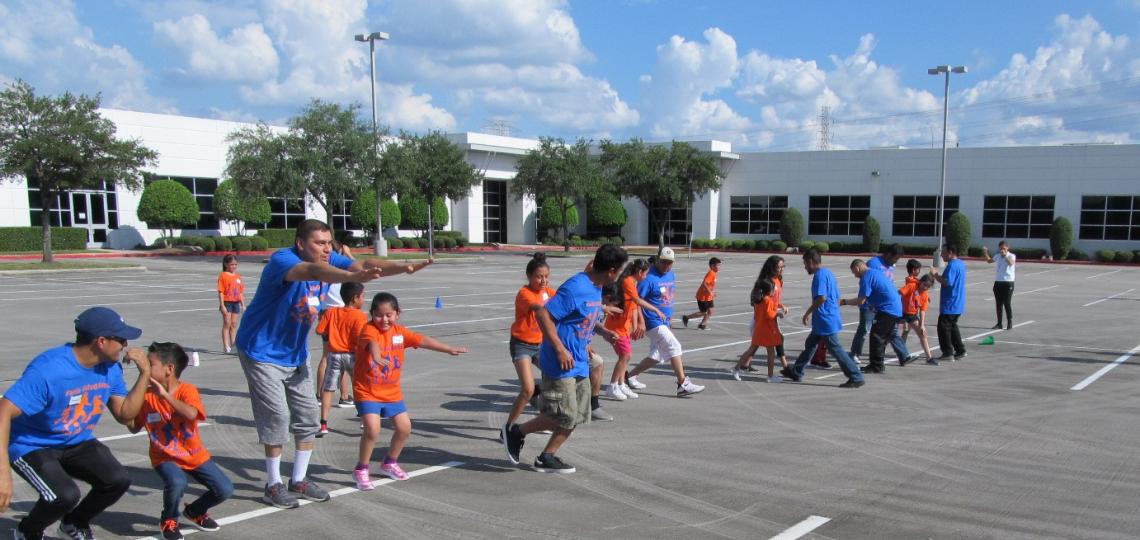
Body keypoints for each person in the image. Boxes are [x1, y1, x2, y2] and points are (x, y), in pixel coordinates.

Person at [234, 219, 433, 510]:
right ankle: (273, 484)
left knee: (307, 418)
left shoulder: (328, 259)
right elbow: (314, 271)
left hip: (294, 353)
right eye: (319, 243)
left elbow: (363, 263)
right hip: (260, 352)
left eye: (329, 243)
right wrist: (353, 275)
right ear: (301, 243)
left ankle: (298, 480)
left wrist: (402, 266)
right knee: (277, 418)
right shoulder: (284, 260)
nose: (327, 249)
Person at [0, 307, 150, 540]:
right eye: (121, 339)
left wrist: (144, 374)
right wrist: (3, 476)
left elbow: (124, 414)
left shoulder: (110, 367)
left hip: (75, 439)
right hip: (32, 443)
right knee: (64, 495)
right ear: (101, 341)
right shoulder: (49, 370)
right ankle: (27, 530)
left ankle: (72, 524)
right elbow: (3, 411)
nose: (125, 345)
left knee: (117, 480)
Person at [501, 245, 628, 474]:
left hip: (579, 361)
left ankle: (547, 456)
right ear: (611, 270)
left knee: (578, 414)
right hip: (559, 362)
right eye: (620, 271)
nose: (619, 276)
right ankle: (515, 432)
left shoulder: (596, 287)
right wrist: (560, 349)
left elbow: (584, 317)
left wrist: (603, 331)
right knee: (561, 415)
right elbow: (543, 314)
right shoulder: (576, 287)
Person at [352, 292, 467, 489]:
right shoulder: (368, 330)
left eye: (389, 314)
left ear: (398, 314)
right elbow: (371, 343)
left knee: (404, 428)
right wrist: (377, 357)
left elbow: (422, 340)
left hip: (391, 392)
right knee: (372, 429)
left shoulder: (400, 333)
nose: (384, 319)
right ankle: (361, 469)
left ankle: (389, 462)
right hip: (368, 390)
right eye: (379, 315)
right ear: (371, 314)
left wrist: (447, 348)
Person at [127, 342, 233, 540]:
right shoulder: (146, 396)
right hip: (164, 456)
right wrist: (123, 406)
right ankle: (169, 519)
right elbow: (133, 426)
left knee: (225, 489)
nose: (146, 369)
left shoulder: (187, 390)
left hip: (194, 455)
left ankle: (195, 511)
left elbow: (192, 413)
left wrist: (165, 396)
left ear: (169, 369)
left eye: (151, 364)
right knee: (177, 482)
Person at [624, 248, 706, 396]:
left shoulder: (671, 275)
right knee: (674, 346)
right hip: (651, 321)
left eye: (669, 263)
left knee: (658, 355)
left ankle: (629, 377)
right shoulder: (648, 278)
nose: (666, 265)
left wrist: (668, 321)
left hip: (664, 321)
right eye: (663, 262)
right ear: (657, 260)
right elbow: (636, 300)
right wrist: (640, 322)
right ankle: (683, 383)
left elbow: (667, 299)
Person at [780, 249, 865, 388]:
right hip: (826, 318)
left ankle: (855, 376)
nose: (805, 267)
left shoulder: (820, 276)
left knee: (836, 349)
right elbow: (835, 297)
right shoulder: (828, 274)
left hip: (826, 320)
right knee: (811, 344)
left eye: (806, 263)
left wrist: (808, 312)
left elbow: (822, 298)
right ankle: (796, 371)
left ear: (812, 262)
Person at [505, 253, 556, 429]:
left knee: (557, 377)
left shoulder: (549, 292)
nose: (543, 280)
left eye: (546, 277)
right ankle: (509, 428)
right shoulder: (524, 293)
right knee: (527, 389)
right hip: (522, 345)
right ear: (529, 276)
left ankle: (542, 417)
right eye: (539, 276)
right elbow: (538, 308)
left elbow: (565, 303)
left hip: (541, 345)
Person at [602, 259, 663, 400]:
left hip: (624, 326)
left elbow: (633, 307)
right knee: (625, 355)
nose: (646, 276)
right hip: (616, 327)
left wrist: (635, 324)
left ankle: (621, 384)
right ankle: (612, 386)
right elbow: (637, 301)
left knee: (626, 356)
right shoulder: (628, 281)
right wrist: (655, 310)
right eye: (645, 273)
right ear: (639, 272)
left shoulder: (633, 282)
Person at [316, 282, 369, 437]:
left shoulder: (331, 313)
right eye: (363, 296)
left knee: (328, 388)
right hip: (352, 355)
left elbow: (319, 330)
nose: (364, 299)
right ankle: (364, 419)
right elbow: (361, 337)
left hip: (334, 354)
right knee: (359, 386)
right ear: (355, 298)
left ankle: (324, 423)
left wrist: (333, 331)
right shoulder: (360, 315)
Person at [839, 259, 910, 374]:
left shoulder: (866, 277)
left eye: (854, 272)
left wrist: (843, 302)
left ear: (857, 268)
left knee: (876, 336)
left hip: (888, 309)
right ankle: (880, 364)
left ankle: (876, 366)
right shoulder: (874, 272)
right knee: (883, 336)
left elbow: (861, 300)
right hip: (894, 308)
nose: (855, 275)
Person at [315, 241, 355, 408]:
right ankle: (344, 395)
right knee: (343, 353)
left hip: (326, 312)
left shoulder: (319, 268)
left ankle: (319, 394)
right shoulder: (338, 270)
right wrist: (349, 254)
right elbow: (358, 271)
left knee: (327, 356)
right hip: (339, 313)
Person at [849, 244, 904, 363]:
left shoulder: (891, 265)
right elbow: (865, 281)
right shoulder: (873, 264)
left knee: (888, 332)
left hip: (884, 304)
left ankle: (903, 356)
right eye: (895, 258)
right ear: (888, 254)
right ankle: (855, 353)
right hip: (870, 303)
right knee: (866, 330)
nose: (896, 261)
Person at [731, 279, 786, 382]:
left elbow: (757, 316)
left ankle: (736, 368)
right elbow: (769, 315)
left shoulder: (758, 301)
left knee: (750, 350)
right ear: (769, 290)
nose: (774, 291)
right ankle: (770, 376)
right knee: (770, 353)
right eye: (773, 289)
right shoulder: (768, 300)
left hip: (759, 329)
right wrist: (778, 314)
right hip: (768, 330)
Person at [931, 244, 968, 361]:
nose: (941, 255)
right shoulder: (961, 264)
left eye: (943, 252)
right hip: (958, 302)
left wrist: (935, 275)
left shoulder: (952, 266)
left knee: (943, 327)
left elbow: (947, 282)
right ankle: (960, 350)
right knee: (952, 327)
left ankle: (947, 352)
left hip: (950, 303)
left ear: (950, 252)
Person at [899, 266, 937, 365]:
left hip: (912, 315)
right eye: (925, 285)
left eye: (928, 286)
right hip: (901, 312)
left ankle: (929, 358)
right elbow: (898, 294)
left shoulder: (925, 294)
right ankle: (901, 354)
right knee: (902, 332)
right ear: (921, 282)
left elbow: (923, 310)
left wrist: (922, 325)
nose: (925, 288)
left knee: (922, 334)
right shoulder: (911, 286)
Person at [983, 241, 1016, 330]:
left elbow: (1011, 263)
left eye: (1004, 248)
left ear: (1007, 248)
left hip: (1008, 282)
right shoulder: (998, 256)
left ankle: (1009, 322)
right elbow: (989, 261)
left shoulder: (1011, 256)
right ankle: (999, 323)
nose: (1002, 250)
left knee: (1007, 303)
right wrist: (986, 252)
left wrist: (1005, 255)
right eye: (1000, 248)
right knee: (998, 304)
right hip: (998, 282)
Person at [682, 257, 721, 330]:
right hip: (702, 296)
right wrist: (710, 292)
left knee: (711, 310)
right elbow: (704, 284)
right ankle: (686, 317)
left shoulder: (714, 273)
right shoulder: (711, 273)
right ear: (712, 266)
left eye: (719, 265)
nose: (719, 267)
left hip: (708, 296)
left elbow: (709, 285)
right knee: (704, 312)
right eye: (718, 265)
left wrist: (712, 292)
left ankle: (702, 325)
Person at [216, 254, 244, 354]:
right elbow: (220, 292)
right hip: (227, 303)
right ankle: (226, 346)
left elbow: (240, 292)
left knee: (234, 324)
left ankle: (234, 344)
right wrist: (222, 305)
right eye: (232, 264)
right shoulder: (223, 276)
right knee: (227, 324)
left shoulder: (238, 277)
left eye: (235, 264)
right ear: (226, 264)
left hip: (236, 302)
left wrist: (242, 304)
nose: (234, 266)